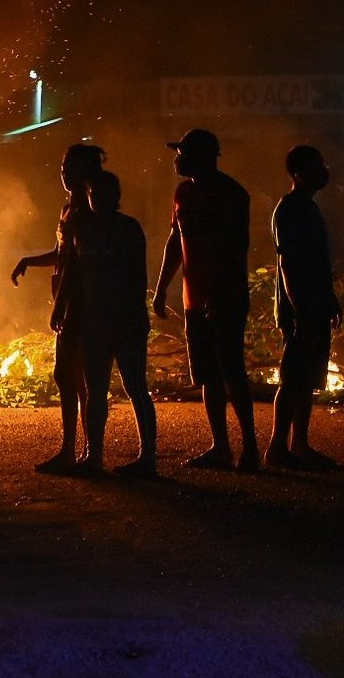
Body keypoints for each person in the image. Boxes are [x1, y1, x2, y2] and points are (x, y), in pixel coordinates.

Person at [152, 129, 259, 471]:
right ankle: (221, 447)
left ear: (202, 156)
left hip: (225, 298)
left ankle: (250, 448)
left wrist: (219, 291)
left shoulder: (230, 193)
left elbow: (236, 246)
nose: (176, 159)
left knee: (231, 371)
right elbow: (174, 242)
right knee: (207, 376)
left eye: (181, 152)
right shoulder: (183, 193)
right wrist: (160, 288)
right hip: (194, 299)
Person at [12, 143, 104, 474]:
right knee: (74, 380)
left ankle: (79, 452)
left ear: (86, 172)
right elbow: (60, 253)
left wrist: (60, 307)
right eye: (62, 166)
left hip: (78, 306)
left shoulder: (87, 214)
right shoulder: (68, 210)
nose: (63, 172)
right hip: (70, 304)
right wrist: (29, 261)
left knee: (71, 377)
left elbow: (75, 266)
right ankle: (83, 451)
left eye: (70, 167)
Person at [71, 170, 158, 475]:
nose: (98, 200)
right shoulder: (82, 228)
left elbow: (137, 279)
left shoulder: (127, 229)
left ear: (116, 197)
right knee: (96, 390)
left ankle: (148, 458)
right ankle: (93, 456)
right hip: (94, 323)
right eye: (93, 194)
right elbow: (76, 275)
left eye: (104, 194)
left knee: (135, 387)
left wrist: (132, 319)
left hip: (125, 321)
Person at [266, 146, 342, 469]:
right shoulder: (291, 209)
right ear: (297, 173)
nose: (322, 171)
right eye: (315, 166)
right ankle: (278, 447)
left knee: (307, 378)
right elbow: (288, 264)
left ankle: (299, 445)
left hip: (314, 305)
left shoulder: (306, 207)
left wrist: (330, 300)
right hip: (302, 308)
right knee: (294, 378)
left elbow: (316, 262)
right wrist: (298, 309)